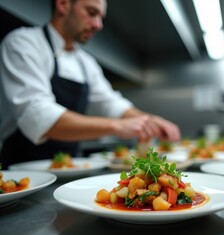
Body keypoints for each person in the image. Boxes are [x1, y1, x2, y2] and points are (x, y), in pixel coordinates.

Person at [0, 0, 180, 169]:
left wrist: (147, 119)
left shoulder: (85, 63)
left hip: (71, 167)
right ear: (63, 4)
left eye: (100, 17)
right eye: (92, 12)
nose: (98, 25)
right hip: (21, 170)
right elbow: (38, 115)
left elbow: (111, 102)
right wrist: (115, 126)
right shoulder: (23, 43)